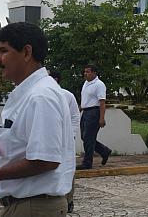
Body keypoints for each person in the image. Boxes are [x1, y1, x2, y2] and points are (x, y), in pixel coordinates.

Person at [0, 22, 75, 216]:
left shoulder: (41, 97)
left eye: (3, 51)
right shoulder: (26, 94)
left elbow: (45, 161)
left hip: (33, 207)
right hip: (23, 205)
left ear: (27, 52)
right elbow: (12, 159)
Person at [49, 71, 80, 213]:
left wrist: (71, 134)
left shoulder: (67, 95)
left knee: (68, 169)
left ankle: (69, 200)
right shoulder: (40, 95)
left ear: (55, 79)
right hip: (49, 139)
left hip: (65, 140)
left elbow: (75, 115)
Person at [78, 64, 112, 170]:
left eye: (88, 72)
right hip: (85, 112)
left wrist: (101, 118)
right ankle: (104, 151)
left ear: (94, 73)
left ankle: (87, 163)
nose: (86, 74)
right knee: (85, 137)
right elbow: (85, 100)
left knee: (88, 138)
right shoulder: (86, 83)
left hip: (94, 112)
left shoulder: (99, 84)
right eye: (85, 72)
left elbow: (102, 102)